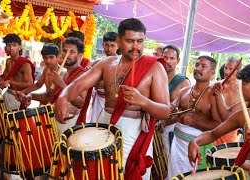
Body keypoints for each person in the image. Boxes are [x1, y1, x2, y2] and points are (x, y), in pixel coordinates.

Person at [54, 18, 170, 180]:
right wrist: (63, 97)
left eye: (140, 41)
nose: (136, 47)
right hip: (104, 128)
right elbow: (78, 85)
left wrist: (143, 101)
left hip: (132, 134)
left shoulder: (154, 68)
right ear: (119, 40)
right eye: (130, 41)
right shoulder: (106, 64)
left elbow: (165, 111)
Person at [0, 34, 35, 179]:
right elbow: (4, 77)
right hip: (7, 98)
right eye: (8, 45)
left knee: (12, 135)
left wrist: (11, 83)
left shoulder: (25, 63)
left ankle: (11, 168)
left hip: (17, 100)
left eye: (13, 45)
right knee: (2, 133)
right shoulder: (10, 61)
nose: (10, 48)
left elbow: (29, 83)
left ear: (20, 47)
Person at [22, 37, 92, 134]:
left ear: (79, 55)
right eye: (65, 51)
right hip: (55, 118)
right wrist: (31, 95)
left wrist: (62, 85)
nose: (67, 55)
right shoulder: (62, 73)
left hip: (70, 120)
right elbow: (48, 96)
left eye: (72, 52)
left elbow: (80, 103)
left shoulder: (82, 74)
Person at [167, 56, 221, 179]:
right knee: (174, 175)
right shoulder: (184, 91)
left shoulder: (214, 95)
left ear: (212, 73)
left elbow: (218, 126)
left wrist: (194, 122)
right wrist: (171, 112)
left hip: (198, 146)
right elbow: (173, 113)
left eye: (203, 66)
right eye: (197, 65)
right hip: (177, 144)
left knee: (192, 177)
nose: (198, 68)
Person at [159, 44, 190, 156]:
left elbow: (185, 111)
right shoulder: (154, 76)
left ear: (178, 61)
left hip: (170, 128)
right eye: (165, 57)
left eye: (172, 58)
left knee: (168, 161)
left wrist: (167, 122)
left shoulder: (183, 82)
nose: (167, 61)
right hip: (153, 126)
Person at [87, 32, 119, 123]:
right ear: (102, 45)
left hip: (114, 103)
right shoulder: (97, 63)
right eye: (106, 45)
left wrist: (99, 82)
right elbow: (90, 83)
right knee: (95, 127)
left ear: (118, 45)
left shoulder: (122, 64)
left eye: (112, 45)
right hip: (98, 101)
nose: (109, 49)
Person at [212, 57, 242, 145]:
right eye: (225, 68)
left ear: (238, 71)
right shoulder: (215, 86)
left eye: (231, 69)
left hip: (232, 133)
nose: (226, 72)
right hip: (212, 131)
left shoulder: (243, 89)